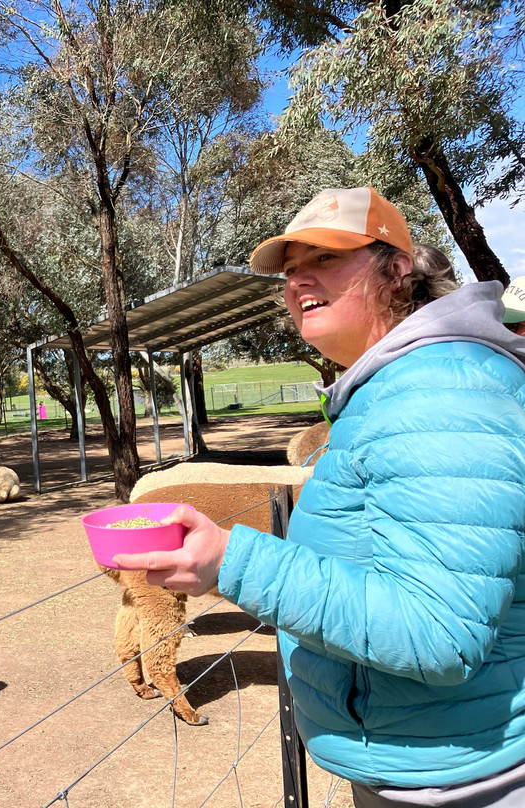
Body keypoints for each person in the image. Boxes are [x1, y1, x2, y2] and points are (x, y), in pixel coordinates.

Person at [114, 187, 525, 807]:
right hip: (428, 751)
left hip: (457, 777)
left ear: (397, 268)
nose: (299, 278)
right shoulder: (400, 388)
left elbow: (439, 631)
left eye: (326, 258)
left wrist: (232, 560)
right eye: (289, 269)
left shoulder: (438, 393)